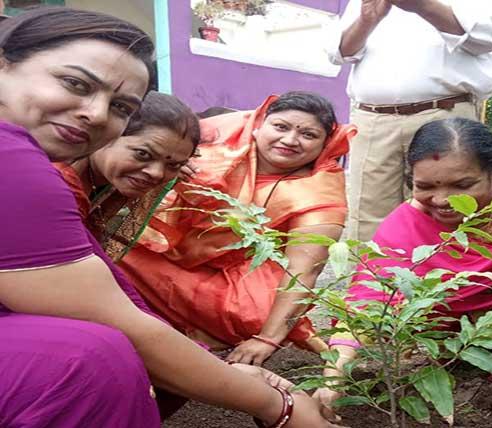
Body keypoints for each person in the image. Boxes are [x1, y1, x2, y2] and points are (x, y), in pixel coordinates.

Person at [0, 8, 344, 428]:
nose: (95, 113)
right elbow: (116, 311)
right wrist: (279, 406)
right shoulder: (24, 163)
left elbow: (303, 270)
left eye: (120, 106)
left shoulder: (320, 190)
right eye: (75, 83)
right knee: (95, 357)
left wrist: (254, 344)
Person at [312, 118, 492, 413]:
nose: (443, 200)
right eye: (425, 186)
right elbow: (369, 301)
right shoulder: (405, 226)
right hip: (466, 346)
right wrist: (335, 376)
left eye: (463, 185)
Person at [119, 92, 357, 366]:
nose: (290, 140)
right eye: (281, 127)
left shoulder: (320, 193)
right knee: (114, 251)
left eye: (308, 135)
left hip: (238, 274)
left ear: (325, 144)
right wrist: (170, 173)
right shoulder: (213, 146)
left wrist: (267, 338)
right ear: (258, 124)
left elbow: (304, 270)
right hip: (165, 250)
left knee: (259, 312)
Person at [326, 0, 492, 241]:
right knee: (368, 217)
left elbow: (485, 37)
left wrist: (421, 5)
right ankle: (369, 278)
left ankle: (446, 278)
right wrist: (367, 20)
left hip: (443, 113)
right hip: (372, 117)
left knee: (447, 213)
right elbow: (339, 53)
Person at [55, 91, 200, 261]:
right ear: (109, 134)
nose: (157, 173)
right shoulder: (58, 188)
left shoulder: (106, 181)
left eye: (174, 165)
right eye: (143, 154)